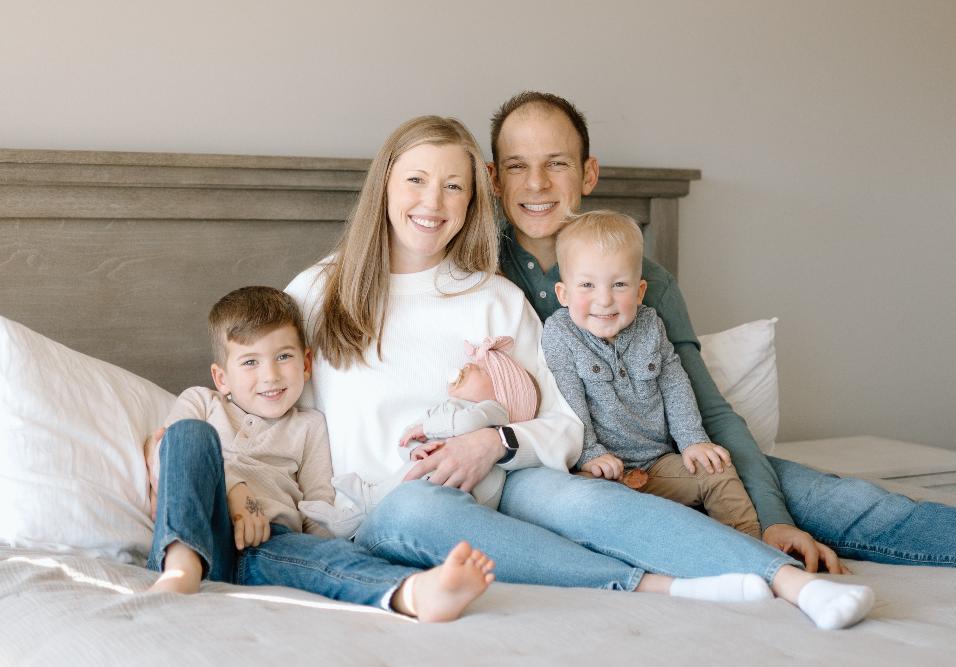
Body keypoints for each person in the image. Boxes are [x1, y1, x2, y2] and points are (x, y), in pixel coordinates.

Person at [286, 114, 876, 630]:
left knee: (582, 500)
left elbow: (565, 422)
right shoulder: (317, 294)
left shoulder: (492, 297)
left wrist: (491, 442)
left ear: (473, 201)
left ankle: (791, 583)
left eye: (454, 186)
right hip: (383, 509)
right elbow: (266, 419)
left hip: (505, 482)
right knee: (418, 507)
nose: (432, 201)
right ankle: (657, 585)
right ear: (384, 183)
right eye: (415, 179)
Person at [489, 90, 956, 570]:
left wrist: (773, 517)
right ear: (494, 179)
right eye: (517, 166)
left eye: (557, 163)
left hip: (673, 462)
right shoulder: (477, 277)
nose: (536, 184)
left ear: (588, 172)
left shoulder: (649, 284)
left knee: (842, 500)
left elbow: (708, 408)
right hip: (569, 480)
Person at [143, 285, 495, 622]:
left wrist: (324, 548)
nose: (270, 375)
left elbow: (317, 505)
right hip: (200, 531)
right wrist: (236, 491)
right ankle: (180, 569)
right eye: (250, 362)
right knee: (188, 433)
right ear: (221, 378)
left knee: (334, 557)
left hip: (269, 544)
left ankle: (415, 593)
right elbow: (167, 456)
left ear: (306, 363)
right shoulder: (201, 402)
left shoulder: (309, 425)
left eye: (284, 357)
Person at [542, 210, 760, 538]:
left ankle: (751, 550)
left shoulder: (650, 324)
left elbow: (674, 382)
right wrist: (589, 452)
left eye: (619, 285)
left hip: (658, 464)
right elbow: (565, 397)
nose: (604, 299)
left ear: (640, 291)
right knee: (581, 503)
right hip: (598, 470)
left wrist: (693, 441)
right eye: (587, 284)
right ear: (564, 293)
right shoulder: (560, 332)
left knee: (718, 470)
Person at [398, 335, 539, 509]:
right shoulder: (445, 408)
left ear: (501, 394)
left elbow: (467, 422)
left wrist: (426, 428)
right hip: (416, 483)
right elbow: (406, 437)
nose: (469, 364)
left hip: (456, 498)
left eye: (482, 371)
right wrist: (413, 451)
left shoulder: (495, 411)